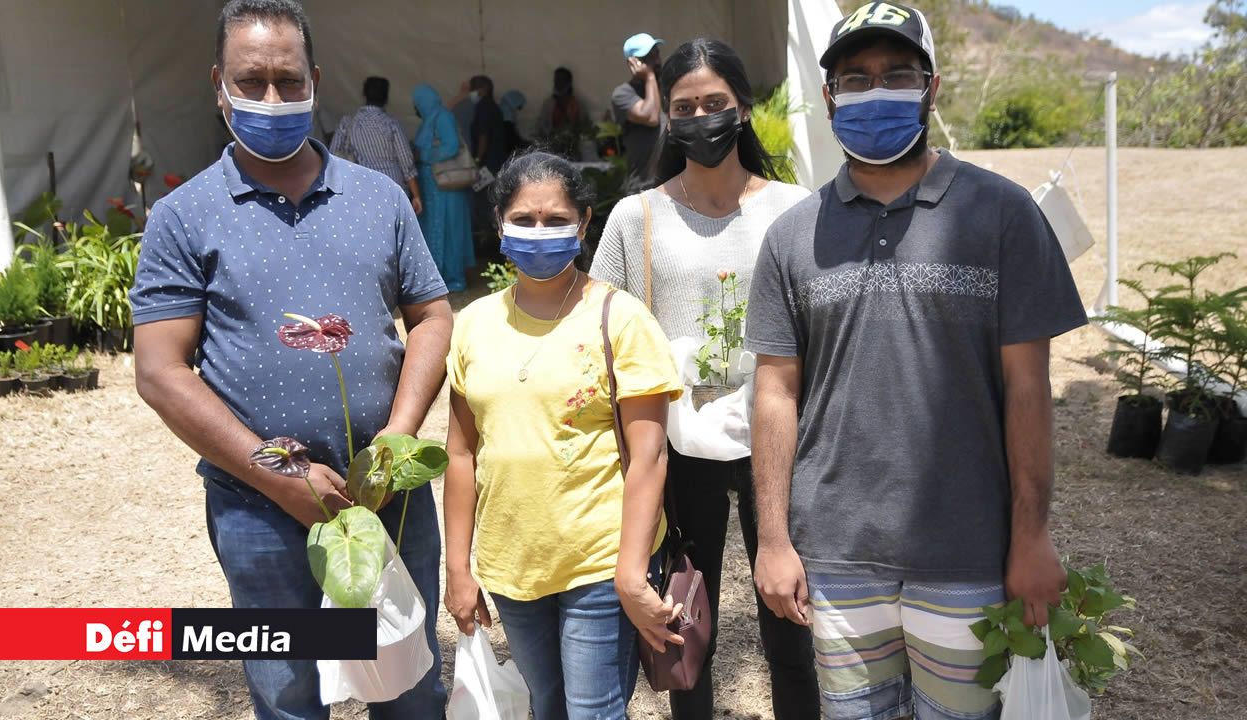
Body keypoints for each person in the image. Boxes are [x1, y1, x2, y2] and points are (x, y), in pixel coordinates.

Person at [747, 4, 1088, 720]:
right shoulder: (791, 237)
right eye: (855, 79)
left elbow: (1028, 387)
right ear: (829, 97)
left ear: (932, 89)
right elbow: (775, 391)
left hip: (966, 550)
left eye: (896, 75)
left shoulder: (1002, 215)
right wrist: (773, 539)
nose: (875, 92)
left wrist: (1031, 536)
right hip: (836, 554)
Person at [129, 1, 453, 718]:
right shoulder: (184, 217)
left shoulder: (378, 198)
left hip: (387, 501)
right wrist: (278, 477)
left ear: (316, 80)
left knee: (406, 685)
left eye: (288, 80)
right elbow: (160, 370)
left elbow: (432, 315)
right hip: (259, 510)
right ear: (219, 85)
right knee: (289, 697)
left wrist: (397, 439)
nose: (272, 99)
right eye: (252, 82)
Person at [590, 38, 820, 720]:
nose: (699, 118)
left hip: (780, 435)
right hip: (677, 444)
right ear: (667, 116)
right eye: (684, 107)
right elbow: (602, 324)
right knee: (687, 628)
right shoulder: (637, 216)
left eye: (714, 103)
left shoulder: (796, 209)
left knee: (792, 625)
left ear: (742, 109)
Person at [444, 150, 685, 720]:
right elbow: (460, 453)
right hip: (511, 564)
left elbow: (650, 455)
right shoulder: (473, 324)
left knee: (592, 712)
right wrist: (458, 569)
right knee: (544, 705)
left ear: (583, 223)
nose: (539, 231)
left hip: (599, 560)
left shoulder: (621, 319)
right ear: (499, 222)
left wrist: (631, 573)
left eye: (555, 219)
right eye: (523, 219)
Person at [412, 83, 475, 292]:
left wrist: (424, 155)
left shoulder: (443, 117)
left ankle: (453, 277)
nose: (416, 107)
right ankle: (437, 276)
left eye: (418, 103)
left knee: (450, 230)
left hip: (446, 186)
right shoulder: (430, 120)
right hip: (433, 187)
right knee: (436, 229)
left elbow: (452, 146)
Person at [331, 75, 423, 214]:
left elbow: (333, 156)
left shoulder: (348, 123)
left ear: (364, 95)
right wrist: (416, 196)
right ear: (386, 98)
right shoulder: (391, 124)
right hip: (393, 190)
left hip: (362, 190)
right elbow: (406, 162)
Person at [611, 33, 663, 187]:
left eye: (656, 54)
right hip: (644, 186)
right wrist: (650, 76)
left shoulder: (668, 88)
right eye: (648, 58)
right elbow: (651, 117)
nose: (656, 61)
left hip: (672, 184)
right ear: (632, 63)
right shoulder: (622, 93)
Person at [467, 75, 507, 176]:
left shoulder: (483, 107)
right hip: (495, 160)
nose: (471, 92)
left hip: (487, 162)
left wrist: (477, 160)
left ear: (484, 89)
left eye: (473, 88)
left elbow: (483, 136)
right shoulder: (493, 106)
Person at [537, 67, 587, 138]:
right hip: (551, 141)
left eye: (561, 80)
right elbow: (541, 126)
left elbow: (585, 126)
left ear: (569, 83)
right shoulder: (548, 104)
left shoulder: (578, 104)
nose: (558, 83)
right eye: (556, 80)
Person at [499, 89, 529, 157]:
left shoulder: (502, 116)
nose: (516, 111)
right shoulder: (506, 122)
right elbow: (512, 139)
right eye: (517, 107)